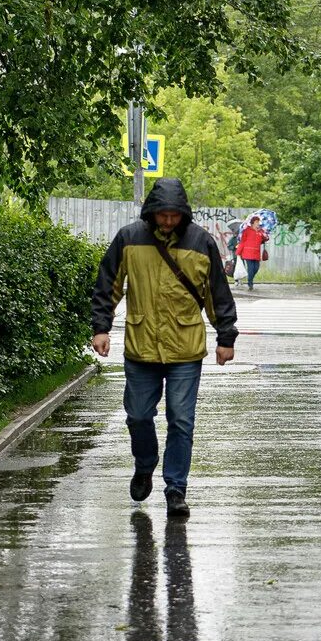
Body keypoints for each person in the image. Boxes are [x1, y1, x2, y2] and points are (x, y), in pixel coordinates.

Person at [90, 177, 237, 518]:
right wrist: (101, 328)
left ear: (183, 214)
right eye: (163, 215)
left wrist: (225, 337)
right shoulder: (129, 238)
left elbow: (217, 292)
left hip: (185, 349)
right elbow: (107, 285)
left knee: (181, 421)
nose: (168, 221)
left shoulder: (201, 242)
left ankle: (176, 489)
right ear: (152, 213)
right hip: (141, 348)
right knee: (138, 416)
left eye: (174, 215)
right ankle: (145, 464)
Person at [235, 214, 268, 290]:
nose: (258, 223)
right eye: (256, 222)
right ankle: (250, 283)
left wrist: (264, 234)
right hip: (247, 253)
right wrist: (238, 252)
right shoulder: (246, 231)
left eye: (258, 222)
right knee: (251, 268)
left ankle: (250, 279)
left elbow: (265, 239)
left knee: (256, 268)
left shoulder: (261, 231)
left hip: (256, 253)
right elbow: (242, 241)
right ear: (253, 223)